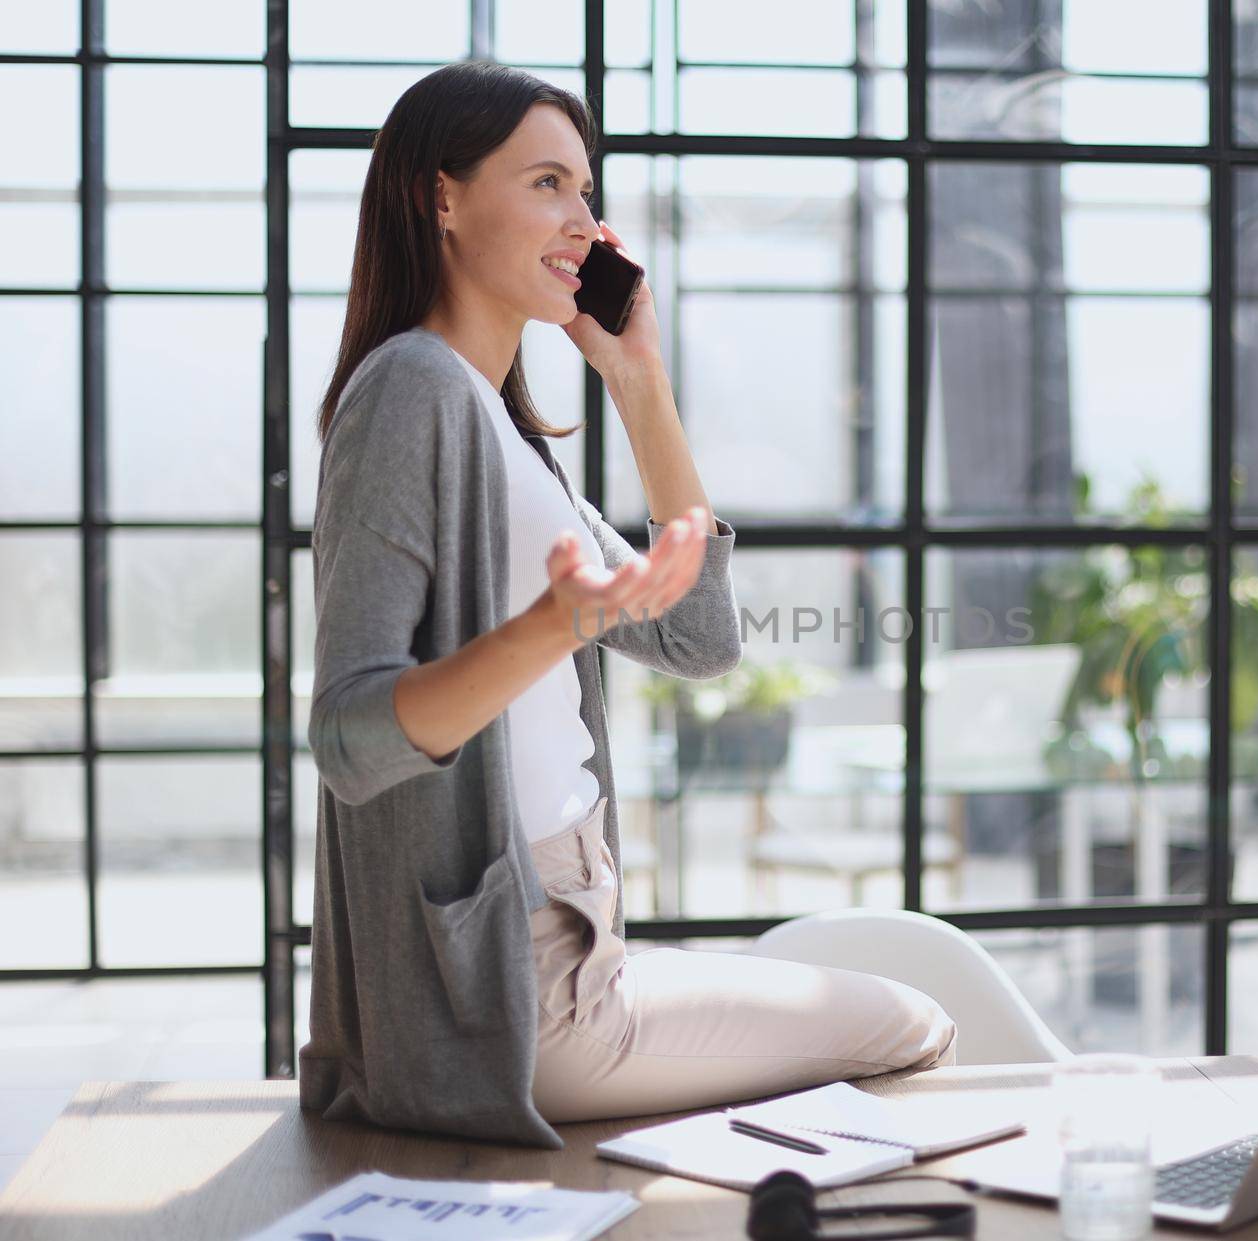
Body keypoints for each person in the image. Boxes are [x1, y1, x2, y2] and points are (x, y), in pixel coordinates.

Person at [297, 61, 954, 1145]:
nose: (583, 223)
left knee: (873, 1012)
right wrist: (553, 625)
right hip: (518, 988)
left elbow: (700, 638)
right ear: (441, 196)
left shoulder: (500, 431)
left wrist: (637, 381)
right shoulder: (411, 388)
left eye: (586, 191)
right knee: (916, 1021)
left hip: (574, 937)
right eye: (548, 183)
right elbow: (350, 737)